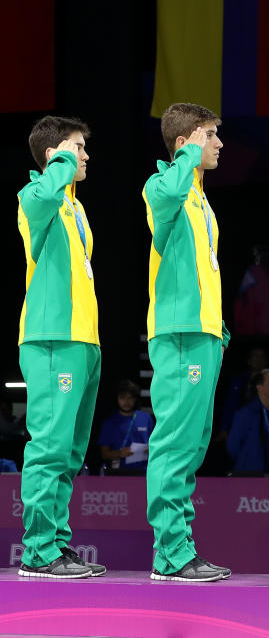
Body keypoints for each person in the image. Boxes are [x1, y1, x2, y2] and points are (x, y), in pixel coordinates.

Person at [142, 103, 231, 582]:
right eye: (211, 136)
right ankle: (170, 556)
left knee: (192, 447)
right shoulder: (163, 187)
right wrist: (187, 153)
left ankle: (181, 550)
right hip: (179, 336)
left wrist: (217, 328)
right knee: (174, 445)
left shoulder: (198, 198)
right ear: (188, 141)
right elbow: (173, 183)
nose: (219, 145)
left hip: (203, 334)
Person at [15, 116, 105, 578]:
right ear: (53, 156)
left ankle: (57, 543)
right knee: (49, 448)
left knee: (70, 453)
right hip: (52, 339)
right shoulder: (35, 197)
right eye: (76, 147)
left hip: (83, 341)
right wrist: (57, 165)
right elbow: (46, 192)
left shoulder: (74, 208)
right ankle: (37, 551)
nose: (85, 155)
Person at [226, 368, 269, 474]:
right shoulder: (244, 414)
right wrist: (247, 462)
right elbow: (232, 447)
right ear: (260, 387)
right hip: (250, 475)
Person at [99, 379, 155, 474]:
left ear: (135, 399)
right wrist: (119, 453)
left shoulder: (146, 418)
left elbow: (157, 443)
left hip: (145, 471)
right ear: (117, 399)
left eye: (130, 398)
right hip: (118, 472)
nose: (126, 401)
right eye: (123, 398)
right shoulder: (110, 422)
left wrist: (152, 450)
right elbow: (104, 453)